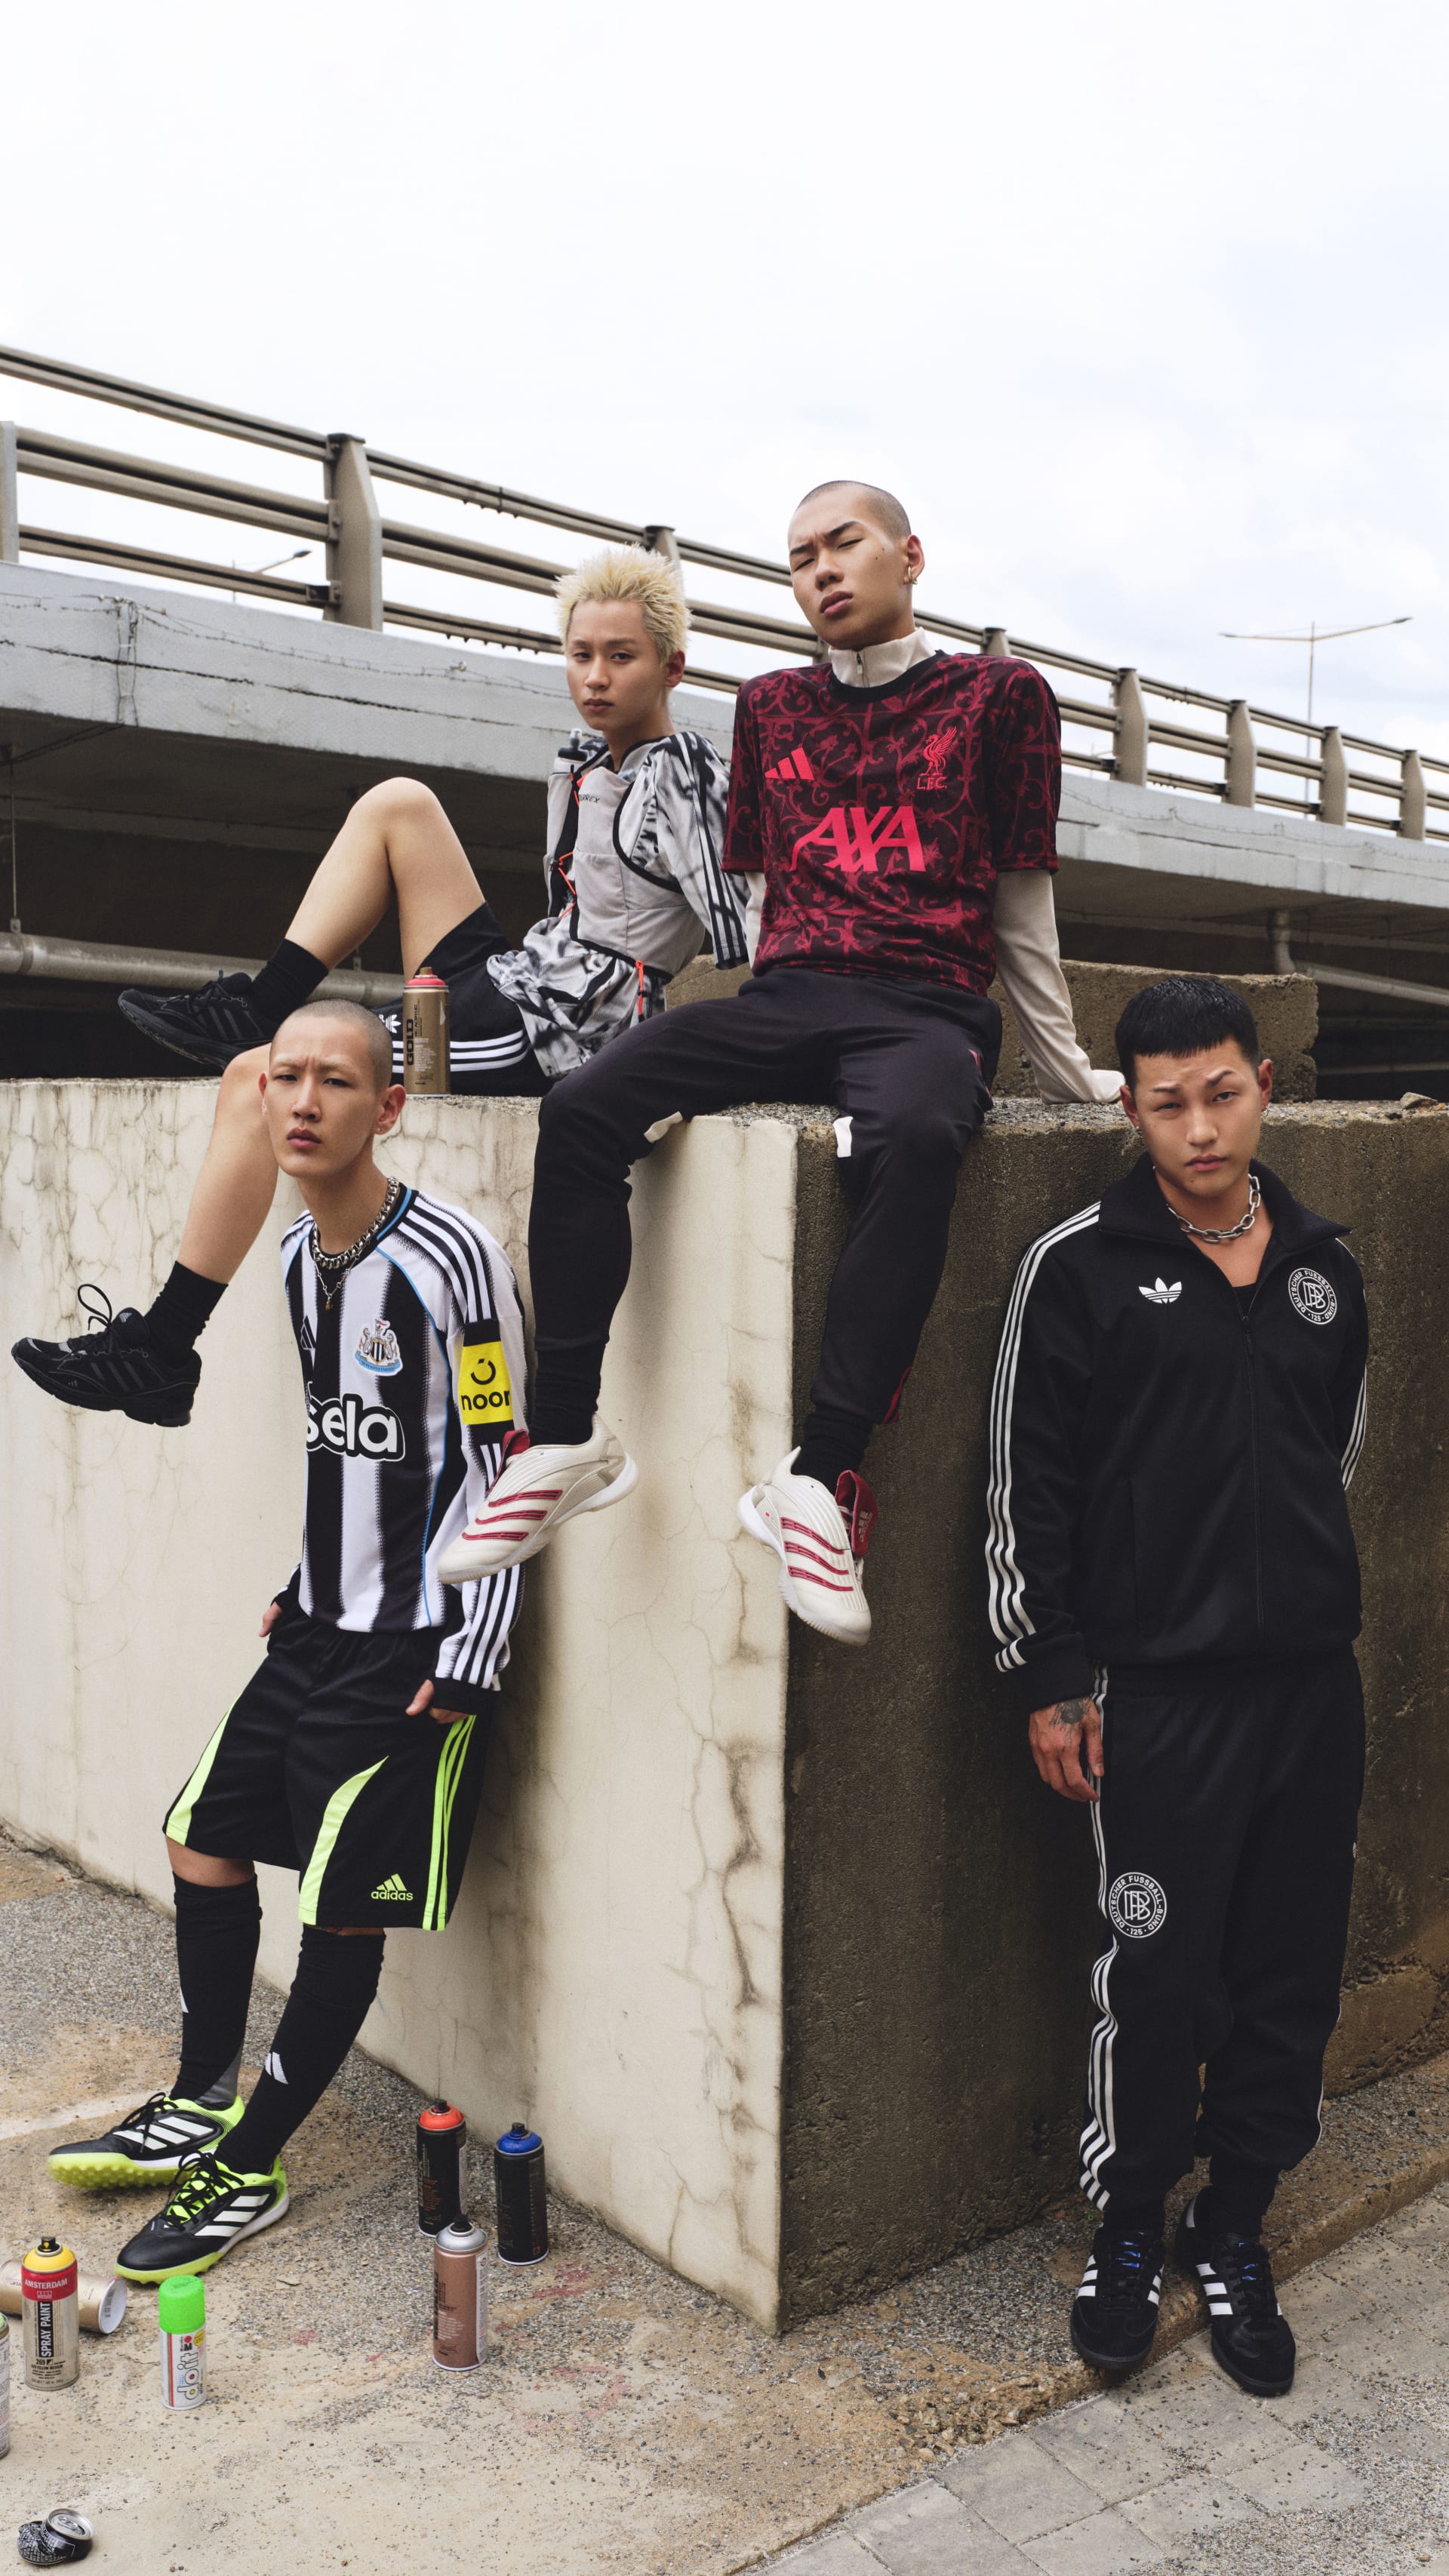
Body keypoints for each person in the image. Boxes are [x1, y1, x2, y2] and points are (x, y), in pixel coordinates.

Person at [438, 480, 1121, 1645]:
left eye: (841, 544)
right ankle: (563, 1438)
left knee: (913, 1136)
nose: (819, 571)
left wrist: (1065, 1071)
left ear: (911, 554)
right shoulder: (771, 707)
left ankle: (819, 1475)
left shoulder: (1002, 698)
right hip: (788, 995)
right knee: (590, 1106)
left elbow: (1021, 899)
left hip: (925, 1005)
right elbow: (751, 901)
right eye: (798, 557)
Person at [11, 544, 745, 1428]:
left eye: (620, 657)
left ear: (672, 665)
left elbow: (741, 926)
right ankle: (263, 999)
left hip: (554, 1027)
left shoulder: (688, 771)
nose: (594, 677)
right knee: (398, 803)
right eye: (580, 655)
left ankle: (164, 1350)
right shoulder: (584, 760)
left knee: (262, 1077)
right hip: (517, 975)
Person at [45, 999, 528, 2279]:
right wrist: (302, 1574)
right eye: (286, 1078)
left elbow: (497, 1459)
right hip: (316, 1624)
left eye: (336, 1080)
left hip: (416, 1643)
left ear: (392, 1105)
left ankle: (247, 2164)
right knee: (199, 1837)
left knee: (335, 1910)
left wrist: (474, 1652)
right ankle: (203, 2092)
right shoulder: (294, 1256)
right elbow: (356, 1447)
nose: (304, 1100)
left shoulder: (451, 1255)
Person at [986, 975, 1369, 2397]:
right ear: (1130, 1104)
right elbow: (1031, 1488)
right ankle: (1132, 2223)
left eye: (1221, 1092)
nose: (1198, 1126)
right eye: (1166, 1101)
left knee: (1288, 1972)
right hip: (1155, 1701)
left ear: (1264, 1084)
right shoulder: (1078, 1265)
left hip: (1309, 1696)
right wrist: (1052, 1673)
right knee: (1153, 1974)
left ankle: (1235, 2221)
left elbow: (1331, 1460)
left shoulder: (1326, 1264)